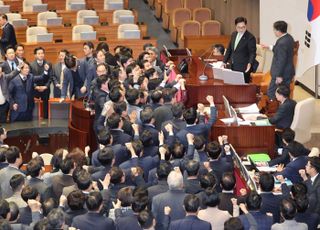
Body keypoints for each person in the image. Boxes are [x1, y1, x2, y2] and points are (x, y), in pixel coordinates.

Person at [263, 21, 295, 100]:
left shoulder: (282, 43)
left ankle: (272, 110)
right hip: (288, 72)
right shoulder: (289, 38)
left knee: (271, 93)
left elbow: (281, 60)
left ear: (278, 31)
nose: (274, 31)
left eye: (274, 30)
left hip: (281, 74)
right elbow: (281, 51)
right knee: (284, 94)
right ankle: (283, 110)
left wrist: (279, 76)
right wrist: (269, 47)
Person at [223, 17, 257, 83]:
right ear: (236, 26)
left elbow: (252, 53)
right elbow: (229, 49)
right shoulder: (234, 34)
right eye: (239, 27)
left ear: (246, 26)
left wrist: (250, 63)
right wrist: (224, 61)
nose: (241, 29)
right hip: (232, 65)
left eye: (243, 27)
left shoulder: (250, 37)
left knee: (242, 88)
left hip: (243, 67)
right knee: (232, 86)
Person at [30, 47, 52, 119]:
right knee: (35, 106)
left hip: (45, 89)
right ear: (35, 55)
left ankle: (46, 119)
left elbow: (50, 77)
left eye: (42, 53)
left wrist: (46, 86)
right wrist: (36, 86)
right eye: (39, 53)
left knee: (46, 106)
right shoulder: (31, 65)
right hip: (35, 89)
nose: (41, 55)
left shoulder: (49, 63)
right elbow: (30, 78)